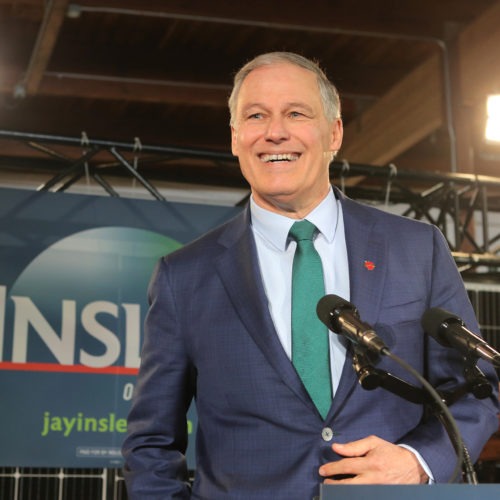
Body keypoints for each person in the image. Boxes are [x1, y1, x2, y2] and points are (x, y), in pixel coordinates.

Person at [122, 52, 499, 499]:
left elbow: (476, 389)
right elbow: (151, 443)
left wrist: (421, 463)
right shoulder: (183, 276)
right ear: (235, 137)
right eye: (255, 115)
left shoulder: (416, 249)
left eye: (296, 113)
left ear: (333, 133)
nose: (274, 131)